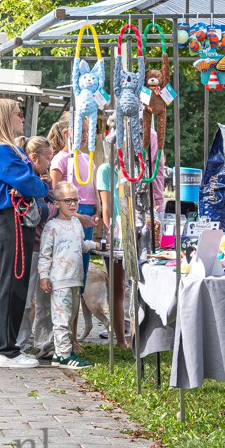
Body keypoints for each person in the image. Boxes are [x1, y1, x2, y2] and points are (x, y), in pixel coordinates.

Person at [0, 99, 51, 369]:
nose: (22, 118)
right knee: (12, 283)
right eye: (17, 114)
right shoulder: (1, 150)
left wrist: (35, 185)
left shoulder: (9, 149)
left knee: (17, 283)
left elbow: (28, 182)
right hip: (11, 219)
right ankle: (6, 350)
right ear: (4, 118)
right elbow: (27, 183)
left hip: (17, 219)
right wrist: (41, 187)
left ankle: (9, 347)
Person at [48, 115, 101, 352]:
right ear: (68, 133)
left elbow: (92, 189)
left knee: (80, 278)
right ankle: (64, 334)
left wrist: (98, 209)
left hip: (87, 217)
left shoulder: (86, 159)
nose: (87, 136)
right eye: (83, 131)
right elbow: (55, 194)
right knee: (68, 277)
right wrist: (77, 215)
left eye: (88, 131)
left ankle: (74, 335)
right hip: (72, 219)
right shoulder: (60, 160)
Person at [38, 180, 100, 369]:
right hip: (60, 280)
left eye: (75, 200)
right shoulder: (52, 226)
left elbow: (81, 245)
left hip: (75, 279)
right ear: (56, 204)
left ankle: (64, 352)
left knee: (71, 317)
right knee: (62, 319)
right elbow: (45, 254)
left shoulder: (77, 224)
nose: (73, 204)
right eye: (67, 201)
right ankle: (63, 356)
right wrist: (43, 275)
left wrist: (96, 245)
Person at [16, 136, 57, 357]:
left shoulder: (43, 181)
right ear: (34, 157)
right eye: (48, 158)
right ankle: (20, 342)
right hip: (30, 247)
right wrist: (52, 208)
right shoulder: (25, 179)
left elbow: (53, 203)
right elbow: (41, 212)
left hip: (45, 248)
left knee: (45, 298)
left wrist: (49, 190)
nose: (50, 163)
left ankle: (45, 343)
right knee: (25, 299)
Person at [96, 116, 129, 350]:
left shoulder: (137, 169)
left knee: (137, 288)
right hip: (117, 234)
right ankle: (120, 338)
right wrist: (111, 232)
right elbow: (106, 207)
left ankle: (135, 334)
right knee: (118, 287)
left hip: (135, 231)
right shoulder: (106, 170)